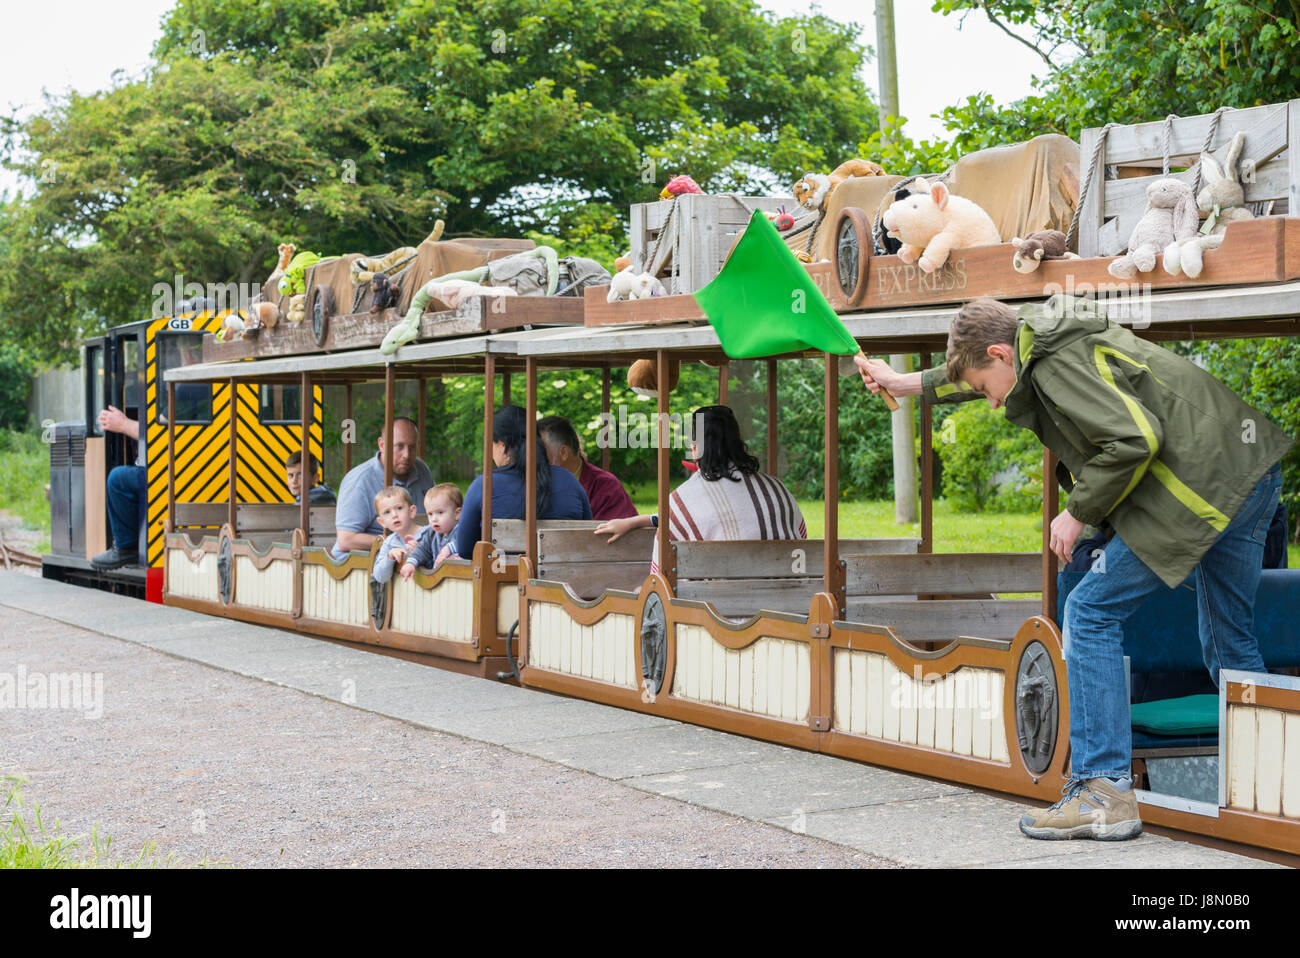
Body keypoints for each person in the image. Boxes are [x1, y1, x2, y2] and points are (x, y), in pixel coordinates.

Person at [855, 294, 1292, 841]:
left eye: (986, 388)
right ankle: (1280, 785)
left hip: (1200, 487)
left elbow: (1135, 440)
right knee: (1228, 639)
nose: (990, 403)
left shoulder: (1056, 363)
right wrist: (904, 385)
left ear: (1002, 353)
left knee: (1088, 612)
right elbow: (971, 372)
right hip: (1247, 476)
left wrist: (1075, 512)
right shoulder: (1046, 339)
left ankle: (1102, 791)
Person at [596, 405, 805, 572]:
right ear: (738, 442)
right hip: (791, 608)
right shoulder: (779, 489)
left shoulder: (682, 501)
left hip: (722, 616)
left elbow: (661, 575)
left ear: (695, 448)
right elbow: (801, 537)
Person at [453, 405, 592, 558]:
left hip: (504, 579)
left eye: (491, 445)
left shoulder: (484, 486)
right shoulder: (569, 480)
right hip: (565, 578)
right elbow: (587, 535)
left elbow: (465, 550)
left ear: (502, 445)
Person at [331, 417, 434, 557]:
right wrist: (397, 542)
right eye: (399, 446)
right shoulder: (359, 480)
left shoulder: (421, 469)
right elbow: (346, 540)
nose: (407, 455)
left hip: (413, 557)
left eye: (412, 447)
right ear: (382, 444)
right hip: (359, 567)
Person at [538, 415, 637, 521]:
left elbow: (615, 535)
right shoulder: (530, 484)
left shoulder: (606, 487)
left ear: (563, 453)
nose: (533, 457)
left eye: (539, 450)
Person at [91, 404, 145, 570]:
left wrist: (123, 424)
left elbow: (161, 431)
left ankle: (127, 547)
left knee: (118, 479)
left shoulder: (183, 389)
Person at [401, 483, 463, 578]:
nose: (434, 519)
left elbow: (469, 542)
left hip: (459, 579)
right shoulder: (432, 533)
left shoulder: (461, 530)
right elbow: (422, 550)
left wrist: (449, 549)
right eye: (430, 514)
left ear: (457, 514)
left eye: (440, 512)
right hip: (438, 579)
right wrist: (411, 563)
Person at [370, 486, 421, 584]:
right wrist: (389, 557)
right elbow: (380, 577)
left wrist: (422, 553)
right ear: (382, 522)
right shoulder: (389, 543)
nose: (394, 515)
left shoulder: (429, 534)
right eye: (387, 512)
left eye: (399, 508)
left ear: (412, 511)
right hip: (403, 596)